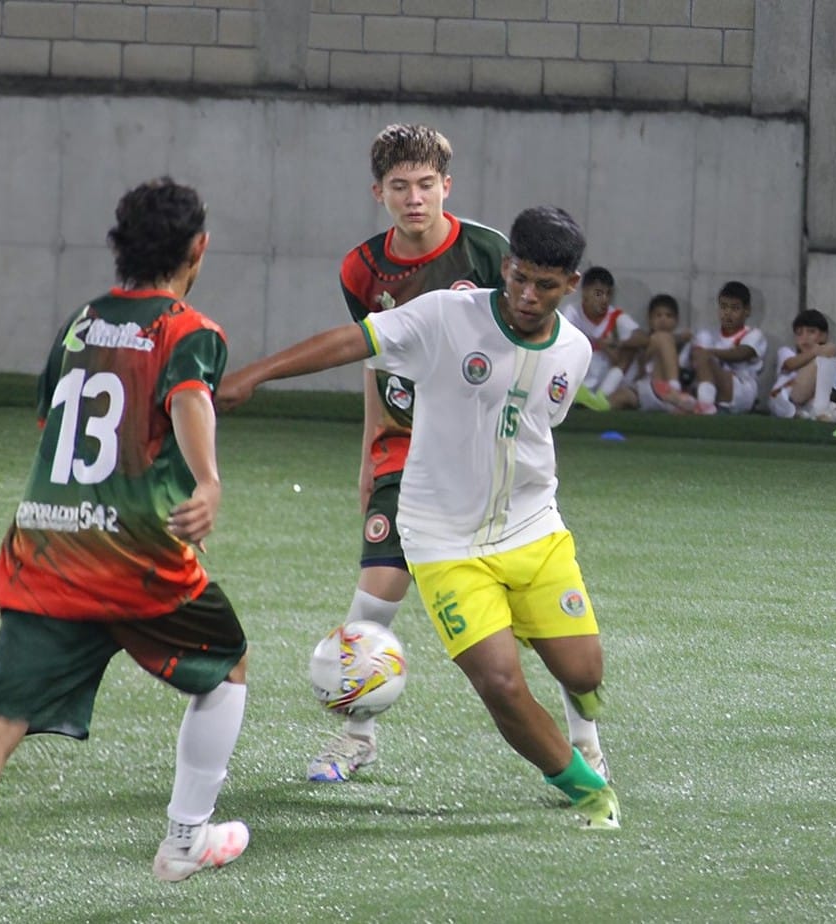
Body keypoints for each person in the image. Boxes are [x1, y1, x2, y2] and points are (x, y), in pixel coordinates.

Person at [0, 178, 251, 915]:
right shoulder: (191, 331)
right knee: (228, 667)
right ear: (198, 249)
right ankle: (185, 840)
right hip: (136, 556)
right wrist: (207, 480)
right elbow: (188, 398)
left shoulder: (82, 322)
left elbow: (49, 422)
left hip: (45, 548)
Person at [218, 206, 620, 830]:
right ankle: (587, 790)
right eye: (518, 277)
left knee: (583, 671)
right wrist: (256, 375)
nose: (526, 294)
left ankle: (568, 698)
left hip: (534, 532)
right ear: (506, 266)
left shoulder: (574, 350)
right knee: (502, 686)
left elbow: (538, 427)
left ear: (571, 285)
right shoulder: (444, 315)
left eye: (545, 285)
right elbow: (355, 341)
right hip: (442, 542)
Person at [307, 123, 508, 783]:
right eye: (401, 186)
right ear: (379, 192)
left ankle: (579, 740)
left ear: (446, 186)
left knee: (518, 629)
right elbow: (374, 357)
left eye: (426, 184)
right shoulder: (360, 269)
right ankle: (356, 736)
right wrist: (369, 451)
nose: (414, 197)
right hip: (403, 451)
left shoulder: (488, 254)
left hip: (479, 456)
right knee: (375, 599)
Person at [561, 266, 647, 411]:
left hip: (607, 384)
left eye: (608, 294)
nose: (604, 300)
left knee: (630, 349)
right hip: (580, 379)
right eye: (598, 294)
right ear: (585, 293)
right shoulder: (572, 313)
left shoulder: (615, 316)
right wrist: (596, 343)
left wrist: (615, 343)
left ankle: (600, 399)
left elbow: (643, 338)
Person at [766, 309, 836, 421]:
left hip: (812, 402)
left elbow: (834, 393)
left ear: (823, 336)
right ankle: (816, 413)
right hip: (786, 398)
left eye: (811, 332)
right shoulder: (787, 352)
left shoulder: (833, 362)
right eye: (799, 333)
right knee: (827, 353)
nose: (804, 337)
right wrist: (816, 352)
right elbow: (789, 364)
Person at [687, 281, 767, 415]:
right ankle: (705, 404)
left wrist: (706, 353)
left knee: (702, 355)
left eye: (734, 308)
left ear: (747, 310)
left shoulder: (754, 334)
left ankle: (704, 404)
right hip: (716, 389)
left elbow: (741, 353)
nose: (727, 313)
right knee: (697, 357)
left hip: (741, 391)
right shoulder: (707, 335)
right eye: (723, 307)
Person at [616, 293, 698, 413]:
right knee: (618, 397)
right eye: (658, 315)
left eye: (668, 316)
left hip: (671, 395)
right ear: (650, 320)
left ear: (676, 320)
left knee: (664, 338)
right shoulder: (645, 339)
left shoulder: (686, 343)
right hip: (646, 390)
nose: (663, 319)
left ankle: (674, 390)